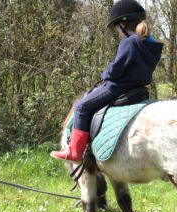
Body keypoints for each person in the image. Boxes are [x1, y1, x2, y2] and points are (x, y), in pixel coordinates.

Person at [51, 0, 164, 164]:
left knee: (82, 107)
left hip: (118, 87)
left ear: (123, 24)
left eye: (117, 27)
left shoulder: (129, 42)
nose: (117, 31)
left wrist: (105, 72)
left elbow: (117, 69)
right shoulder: (151, 44)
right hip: (138, 88)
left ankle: (75, 152)